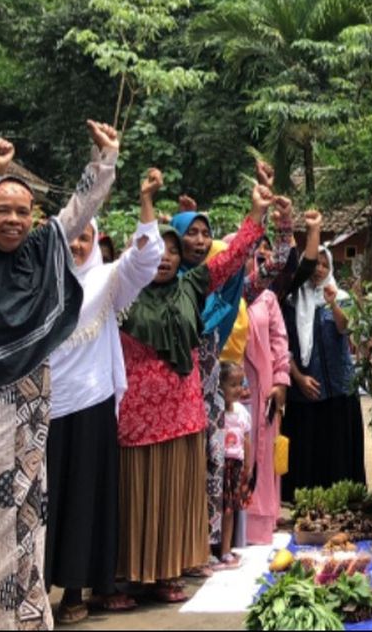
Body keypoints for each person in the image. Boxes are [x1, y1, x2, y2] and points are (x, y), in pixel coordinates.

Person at [116, 181, 271, 603]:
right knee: (135, 494)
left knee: (176, 495)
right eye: (155, 251)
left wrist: (256, 214)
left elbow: (233, 258)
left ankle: (168, 574)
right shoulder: (123, 293)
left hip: (183, 414)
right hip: (134, 415)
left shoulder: (191, 287)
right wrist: (145, 200)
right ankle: (129, 576)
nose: (164, 258)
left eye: (171, 251)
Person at [0, 124, 119, 630]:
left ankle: (23, 614)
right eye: (2, 208)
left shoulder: (43, 249)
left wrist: (105, 158)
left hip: (32, 400)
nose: (13, 219)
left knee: (26, 507)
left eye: (22, 211)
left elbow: (81, 210)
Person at [46, 170, 165, 624]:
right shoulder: (40, 282)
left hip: (91, 405)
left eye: (85, 237)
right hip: (42, 407)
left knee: (81, 497)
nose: (77, 245)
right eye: (71, 237)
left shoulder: (107, 281)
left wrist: (146, 201)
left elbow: (145, 259)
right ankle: (33, 587)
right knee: (43, 499)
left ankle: (74, 591)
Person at [243, 211, 321, 545]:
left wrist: (280, 381)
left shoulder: (267, 297)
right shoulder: (223, 294)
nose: (258, 262)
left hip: (262, 390)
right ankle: (225, 531)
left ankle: (259, 526)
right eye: (251, 255)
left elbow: (279, 341)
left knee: (261, 455)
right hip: (228, 390)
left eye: (263, 257)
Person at [282, 245, 366, 499]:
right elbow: (283, 345)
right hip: (306, 390)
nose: (318, 269)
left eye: (324, 264)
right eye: (314, 264)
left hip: (340, 388)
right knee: (309, 449)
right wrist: (297, 377)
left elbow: (345, 329)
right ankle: (307, 503)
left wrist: (334, 304)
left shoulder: (340, 296)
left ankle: (344, 500)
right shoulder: (292, 301)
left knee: (339, 447)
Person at [216, 362, 252, 570]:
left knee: (230, 510)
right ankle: (211, 548)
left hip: (235, 467)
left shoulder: (241, 412)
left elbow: (247, 439)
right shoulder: (218, 412)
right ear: (220, 386)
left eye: (241, 384)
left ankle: (226, 550)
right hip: (220, 467)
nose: (238, 389)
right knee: (217, 509)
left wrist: (248, 464)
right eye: (232, 385)